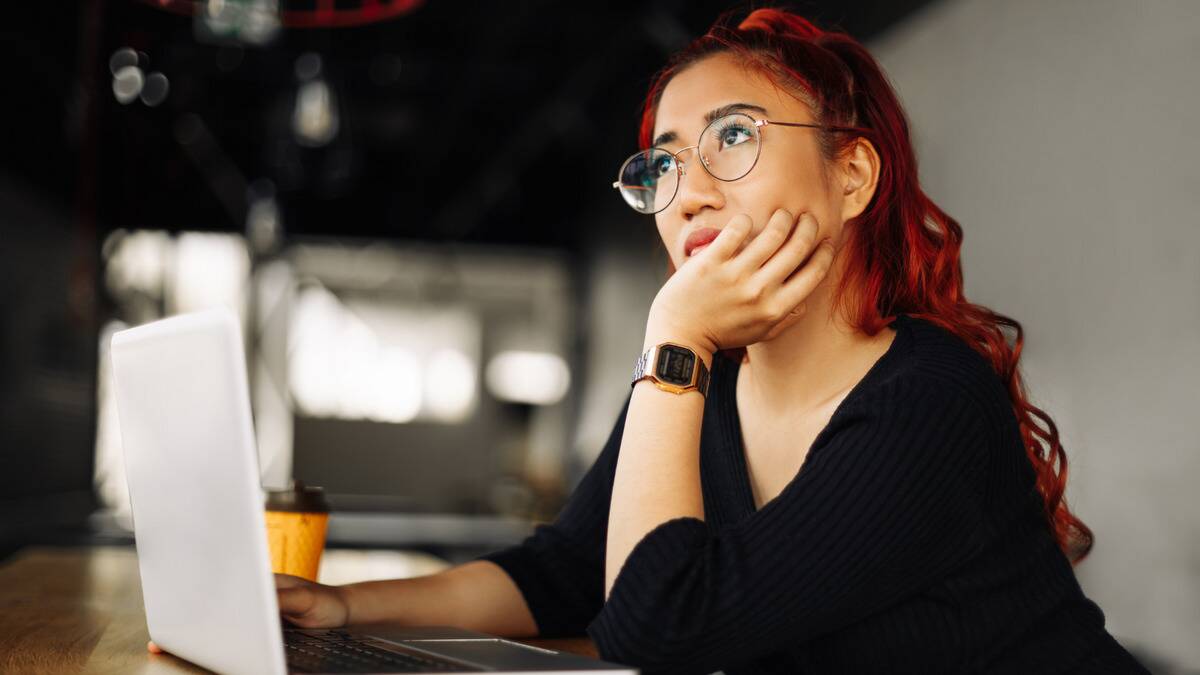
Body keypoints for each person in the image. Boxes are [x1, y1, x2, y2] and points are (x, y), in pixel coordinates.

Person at [154, 7, 1150, 675]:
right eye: (665, 166)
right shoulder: (699, 390)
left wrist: (671, 335)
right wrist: (344, 608)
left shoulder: (929, 397)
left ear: (852, 177)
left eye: (735, 137)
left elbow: (658, 624)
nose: (692, 191)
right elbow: (566, 574)